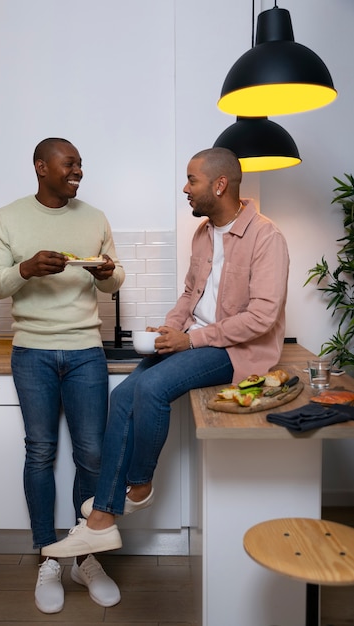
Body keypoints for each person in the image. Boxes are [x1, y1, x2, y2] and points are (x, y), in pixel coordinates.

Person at [41, 146, 290, 559]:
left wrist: (189, 339)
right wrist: (171, 328)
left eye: (192, 180)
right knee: (122, 395)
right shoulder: (203, 233)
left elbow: (262, 316)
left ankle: (134, 491)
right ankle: (103, 519)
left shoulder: (267, 236)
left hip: (238, 351)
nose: (185, 188)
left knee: (152, 387)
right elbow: (191, 294)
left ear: (220, 184)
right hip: (198, 338)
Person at [0, 138, 125, 613]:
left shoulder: (94, 217)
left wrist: (106, 272)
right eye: (69, 163)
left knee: (94, 456)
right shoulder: (7, 217)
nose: (78, 169)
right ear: (42, 167)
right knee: (39, 453)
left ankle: (84, 556)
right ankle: (48, 556)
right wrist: (24, 269)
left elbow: (116, 276)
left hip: (85, 351)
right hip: (32, 352)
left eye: (80, 163)